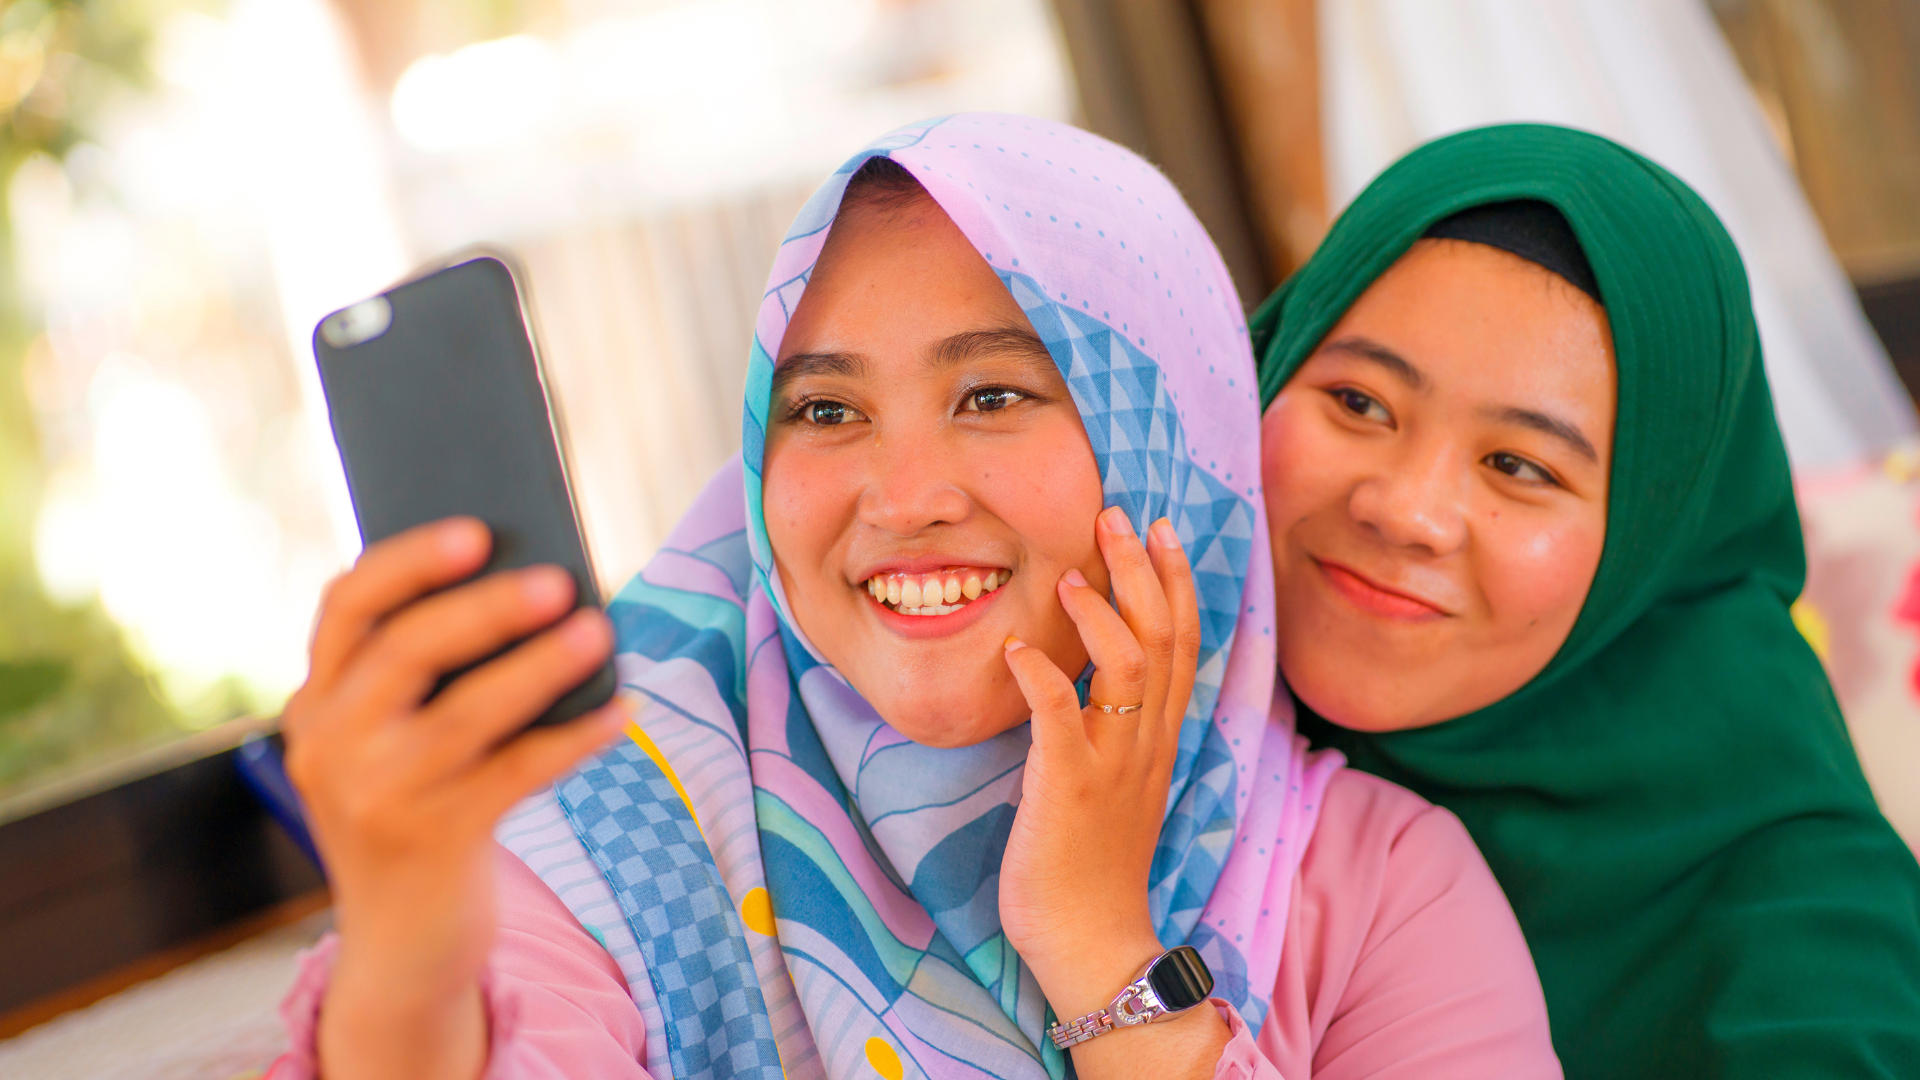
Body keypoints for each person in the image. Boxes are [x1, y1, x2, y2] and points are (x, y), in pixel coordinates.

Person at [271, 114, 1559, 1080]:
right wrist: (402, 922)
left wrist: (1101, 943)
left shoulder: (1383, 891)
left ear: (1167, 443)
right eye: (825, 410)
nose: (900, 496)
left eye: (992, 395)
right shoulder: (626, 821)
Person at [1251, 122, 1920, 1080]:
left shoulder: (1807, 952)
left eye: (1518, 465)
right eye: (1360, 403)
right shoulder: (1105, 722)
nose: (1405, 511)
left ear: (1651, 540)